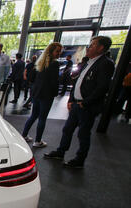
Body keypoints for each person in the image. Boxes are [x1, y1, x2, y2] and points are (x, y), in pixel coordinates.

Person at [44, 36, 115, 168]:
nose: (89, 47)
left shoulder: (106, 63)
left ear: (101, 48)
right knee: (67, 129)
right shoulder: (88, 62)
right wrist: (71, 99)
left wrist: (86, 102)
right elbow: (78, 82)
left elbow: (102, 87)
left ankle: (79, 159)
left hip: (86, 106)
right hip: (77, 103)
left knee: (83, 134)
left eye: (92, 45)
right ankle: (60, 152)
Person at [22, 42, 62, 148]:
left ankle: (24, 135)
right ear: (51, 51)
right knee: (42, 118)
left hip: (37, 94)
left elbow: (31, 78)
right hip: (46, 95)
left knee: (34, 115)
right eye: (57, 51)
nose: (59, 54)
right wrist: (54, 93)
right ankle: (37, 141)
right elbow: (54, 82)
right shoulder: (54, 64)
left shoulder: (40, 63)